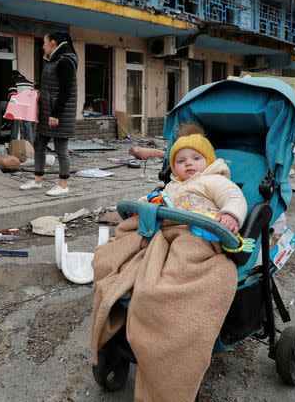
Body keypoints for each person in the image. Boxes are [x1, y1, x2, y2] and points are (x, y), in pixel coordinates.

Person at [90, 122, 247, 401]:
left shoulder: (215, 180)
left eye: (196, 158)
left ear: (208, 161)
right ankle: (126, 291)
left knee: (175, 269)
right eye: (181, 160)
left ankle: (162, 299)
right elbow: (153, 201)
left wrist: (231, 215)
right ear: (173, 167)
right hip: (164, 235)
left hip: (197, 236)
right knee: (110, 255)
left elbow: (234, 197)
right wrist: (142, 206)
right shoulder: (173, 187)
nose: (189, 164)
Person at [19, 31, 78, 197]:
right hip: (48, 112)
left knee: (61, 149)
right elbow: (52, 87)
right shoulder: (55, 60)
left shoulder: (65, 61)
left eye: (44, 43)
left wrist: (56, 114)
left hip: (58, 114)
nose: (42, 46)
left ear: (53, 43)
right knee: (39, 144)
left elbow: (66, 92)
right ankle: (37, 180)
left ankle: (63, 184)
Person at [7, 70, 34, 144]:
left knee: (15, 126)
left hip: (17, 107)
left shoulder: (14, 82)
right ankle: (30, 146)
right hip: (29, 107)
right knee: (28, 127)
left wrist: (10, 107)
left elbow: (12, 95)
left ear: (12, 76)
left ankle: (13, 145)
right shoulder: (30, 83)